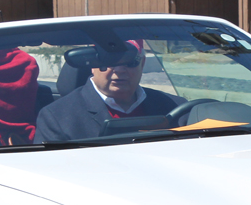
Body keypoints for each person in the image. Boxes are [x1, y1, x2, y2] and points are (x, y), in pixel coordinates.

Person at [33, 40, 186, 143]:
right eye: (110, 60)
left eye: (130, 61)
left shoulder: (176, 108)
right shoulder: (57, 117)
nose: (119, 70)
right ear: (93, 63)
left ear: (143, 63)